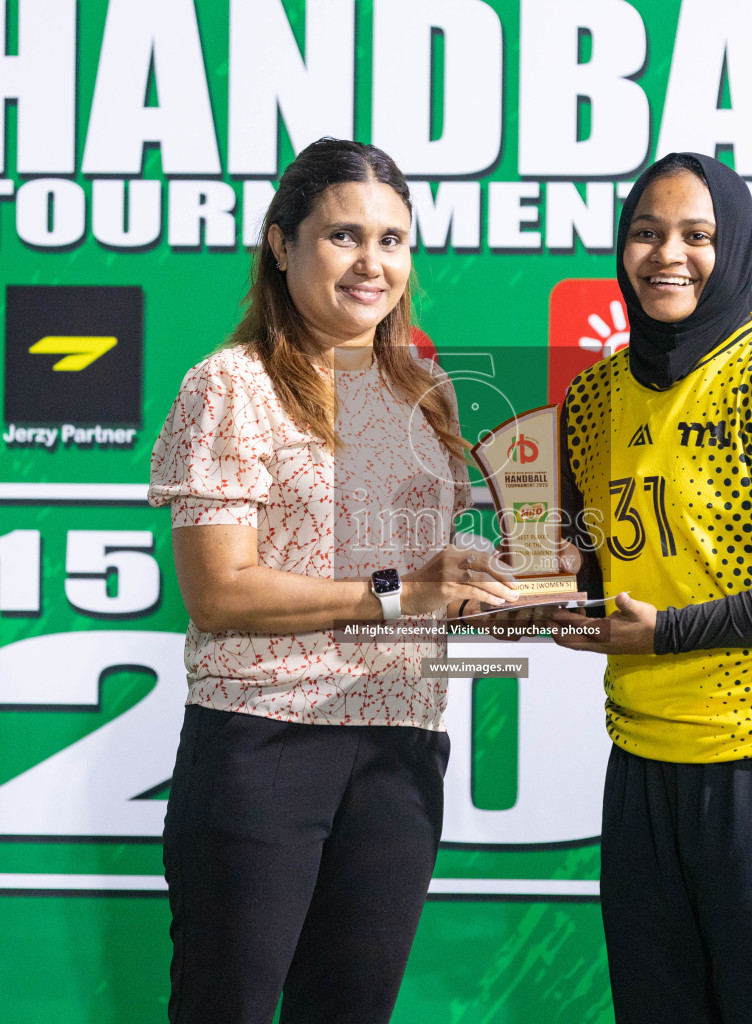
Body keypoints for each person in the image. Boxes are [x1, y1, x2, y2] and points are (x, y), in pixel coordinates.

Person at [149, 138, 517, 1024]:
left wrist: (498, 601)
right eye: (344, 236)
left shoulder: (426, 391)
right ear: (282, 244)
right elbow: (220, 593)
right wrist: (402, 592)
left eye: (393, 240)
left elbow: (426, 587)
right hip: (265, 745)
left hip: (402, 748)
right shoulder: (230, 386)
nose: (373, 263)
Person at [549, 152, 752, 1024]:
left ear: (732, 246)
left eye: (697, 235)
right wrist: (533, 591)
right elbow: (595, 569)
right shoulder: (588, 402)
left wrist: (666, 633)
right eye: (646, 233)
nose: (669, 255)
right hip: (646, 771)